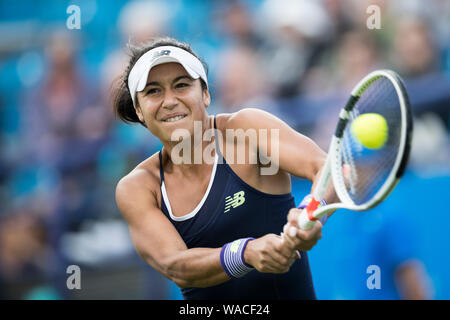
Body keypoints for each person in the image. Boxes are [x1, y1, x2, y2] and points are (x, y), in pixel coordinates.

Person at [113, 37, 334, 300]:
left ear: (205, 94)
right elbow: (176, 265)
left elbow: (326, 169)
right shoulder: (137, 188)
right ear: (139, 110)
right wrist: (245, 253)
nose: (170, 100)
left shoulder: (247, 129)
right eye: (153, 91)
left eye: (181, 85)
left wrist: (311, 215)